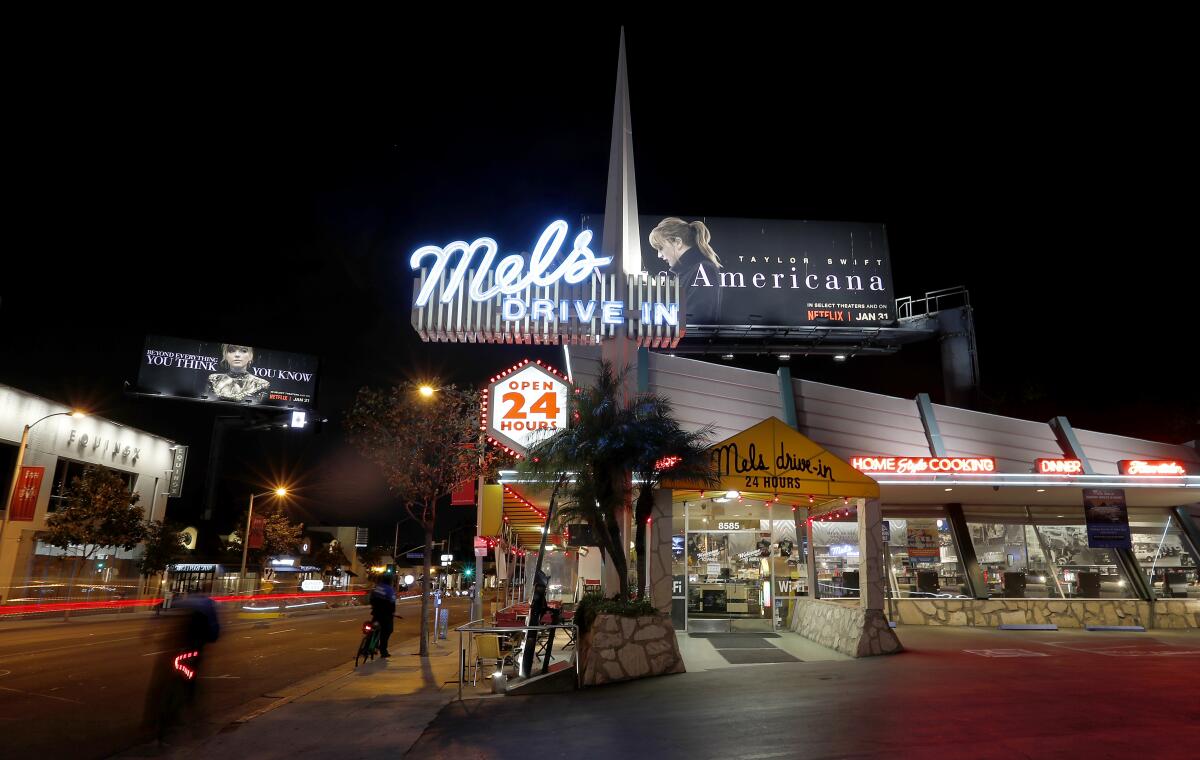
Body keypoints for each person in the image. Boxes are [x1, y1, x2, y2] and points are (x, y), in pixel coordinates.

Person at [648, 217, 723, 324]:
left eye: (660, 248)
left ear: (677, 242)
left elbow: (697, 321)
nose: (659, 255)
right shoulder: (689, 271)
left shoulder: (703, 269)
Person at [369, 575, 397, 658]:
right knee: (387, 631)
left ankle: (370, 645)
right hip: (385, 615)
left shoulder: (377, 587)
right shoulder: (390, 590)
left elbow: (372, 598)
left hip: (376, 613)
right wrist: (393, 612)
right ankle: (383, 650)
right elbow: (392, 602)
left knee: (373, 628)